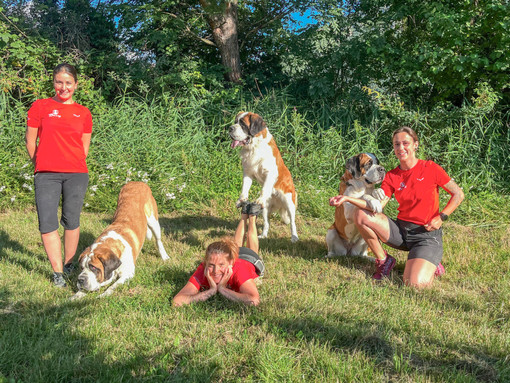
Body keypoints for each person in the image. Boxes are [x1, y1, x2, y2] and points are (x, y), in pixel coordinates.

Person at [329, 127, 464, 287]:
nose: (401, 148)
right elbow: (376, 207)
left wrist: (441, 217)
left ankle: (431, 262)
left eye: (405, 143)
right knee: (360, 214)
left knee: (413, 284)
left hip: (426, 235)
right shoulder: (392, 175)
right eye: (396, 144)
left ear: (415, 145)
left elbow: (458, 194)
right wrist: (346, 198)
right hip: (401, 232)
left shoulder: (430, 168)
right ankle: (384, 260)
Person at [25, 63, 92, 288]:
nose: (63, 88)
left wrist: (71, 163)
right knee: (47, 222)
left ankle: (70, 264)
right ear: (53, 82)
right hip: (46, 174)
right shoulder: (40, 107)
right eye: (59, 82)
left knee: (71, 221)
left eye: (68, 83)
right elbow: (30, 141)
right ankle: (57, 273)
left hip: (76, 174)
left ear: (75, 84)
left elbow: (84, 148)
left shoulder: (83, 112)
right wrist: (41, 163)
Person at [173, 202, 263, 306]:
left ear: (231, 262)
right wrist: (210, 291)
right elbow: (177, 302)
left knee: (251, 248)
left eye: (221, 265)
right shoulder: (203, 269)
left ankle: (252, 217)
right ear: (205, 262)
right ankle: (244, 215)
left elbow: (254, 300)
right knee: (235, 245)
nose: (216, 271)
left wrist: (222, 289)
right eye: (211, 265)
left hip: (249, 258)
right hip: (229, 254)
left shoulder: (239, 270)